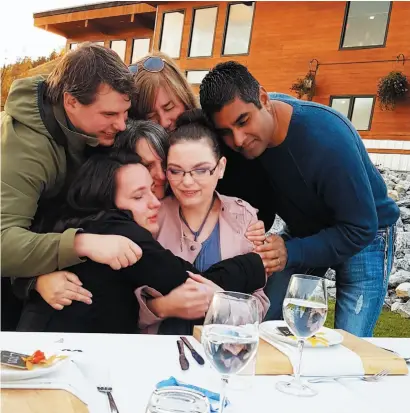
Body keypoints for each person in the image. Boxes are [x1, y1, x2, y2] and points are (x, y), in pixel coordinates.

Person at [199, 61, 400, 337]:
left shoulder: (328, 139)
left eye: (243, 122)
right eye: (226, 131)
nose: (238, 139)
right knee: (262, 322)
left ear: (263, 98)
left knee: (351, 340)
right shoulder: (243, 135)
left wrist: (291, 251)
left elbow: (360, 227)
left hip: (365, 233)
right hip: (305, 226)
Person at [17, 151, 268, 334]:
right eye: (138, 196)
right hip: (60, 360)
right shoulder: (116, 229)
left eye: (152, 189)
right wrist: (255, 264)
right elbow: (192, 281)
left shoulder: (77, 223)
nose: (155, 202)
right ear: (108, 201)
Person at [1, 43, 143, 330]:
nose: (121, 125)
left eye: (125, 113)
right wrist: (81, 243)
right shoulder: (23, 151)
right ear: (71, 102)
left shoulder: (92, 125)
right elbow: (3, 241)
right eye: (109, 115)